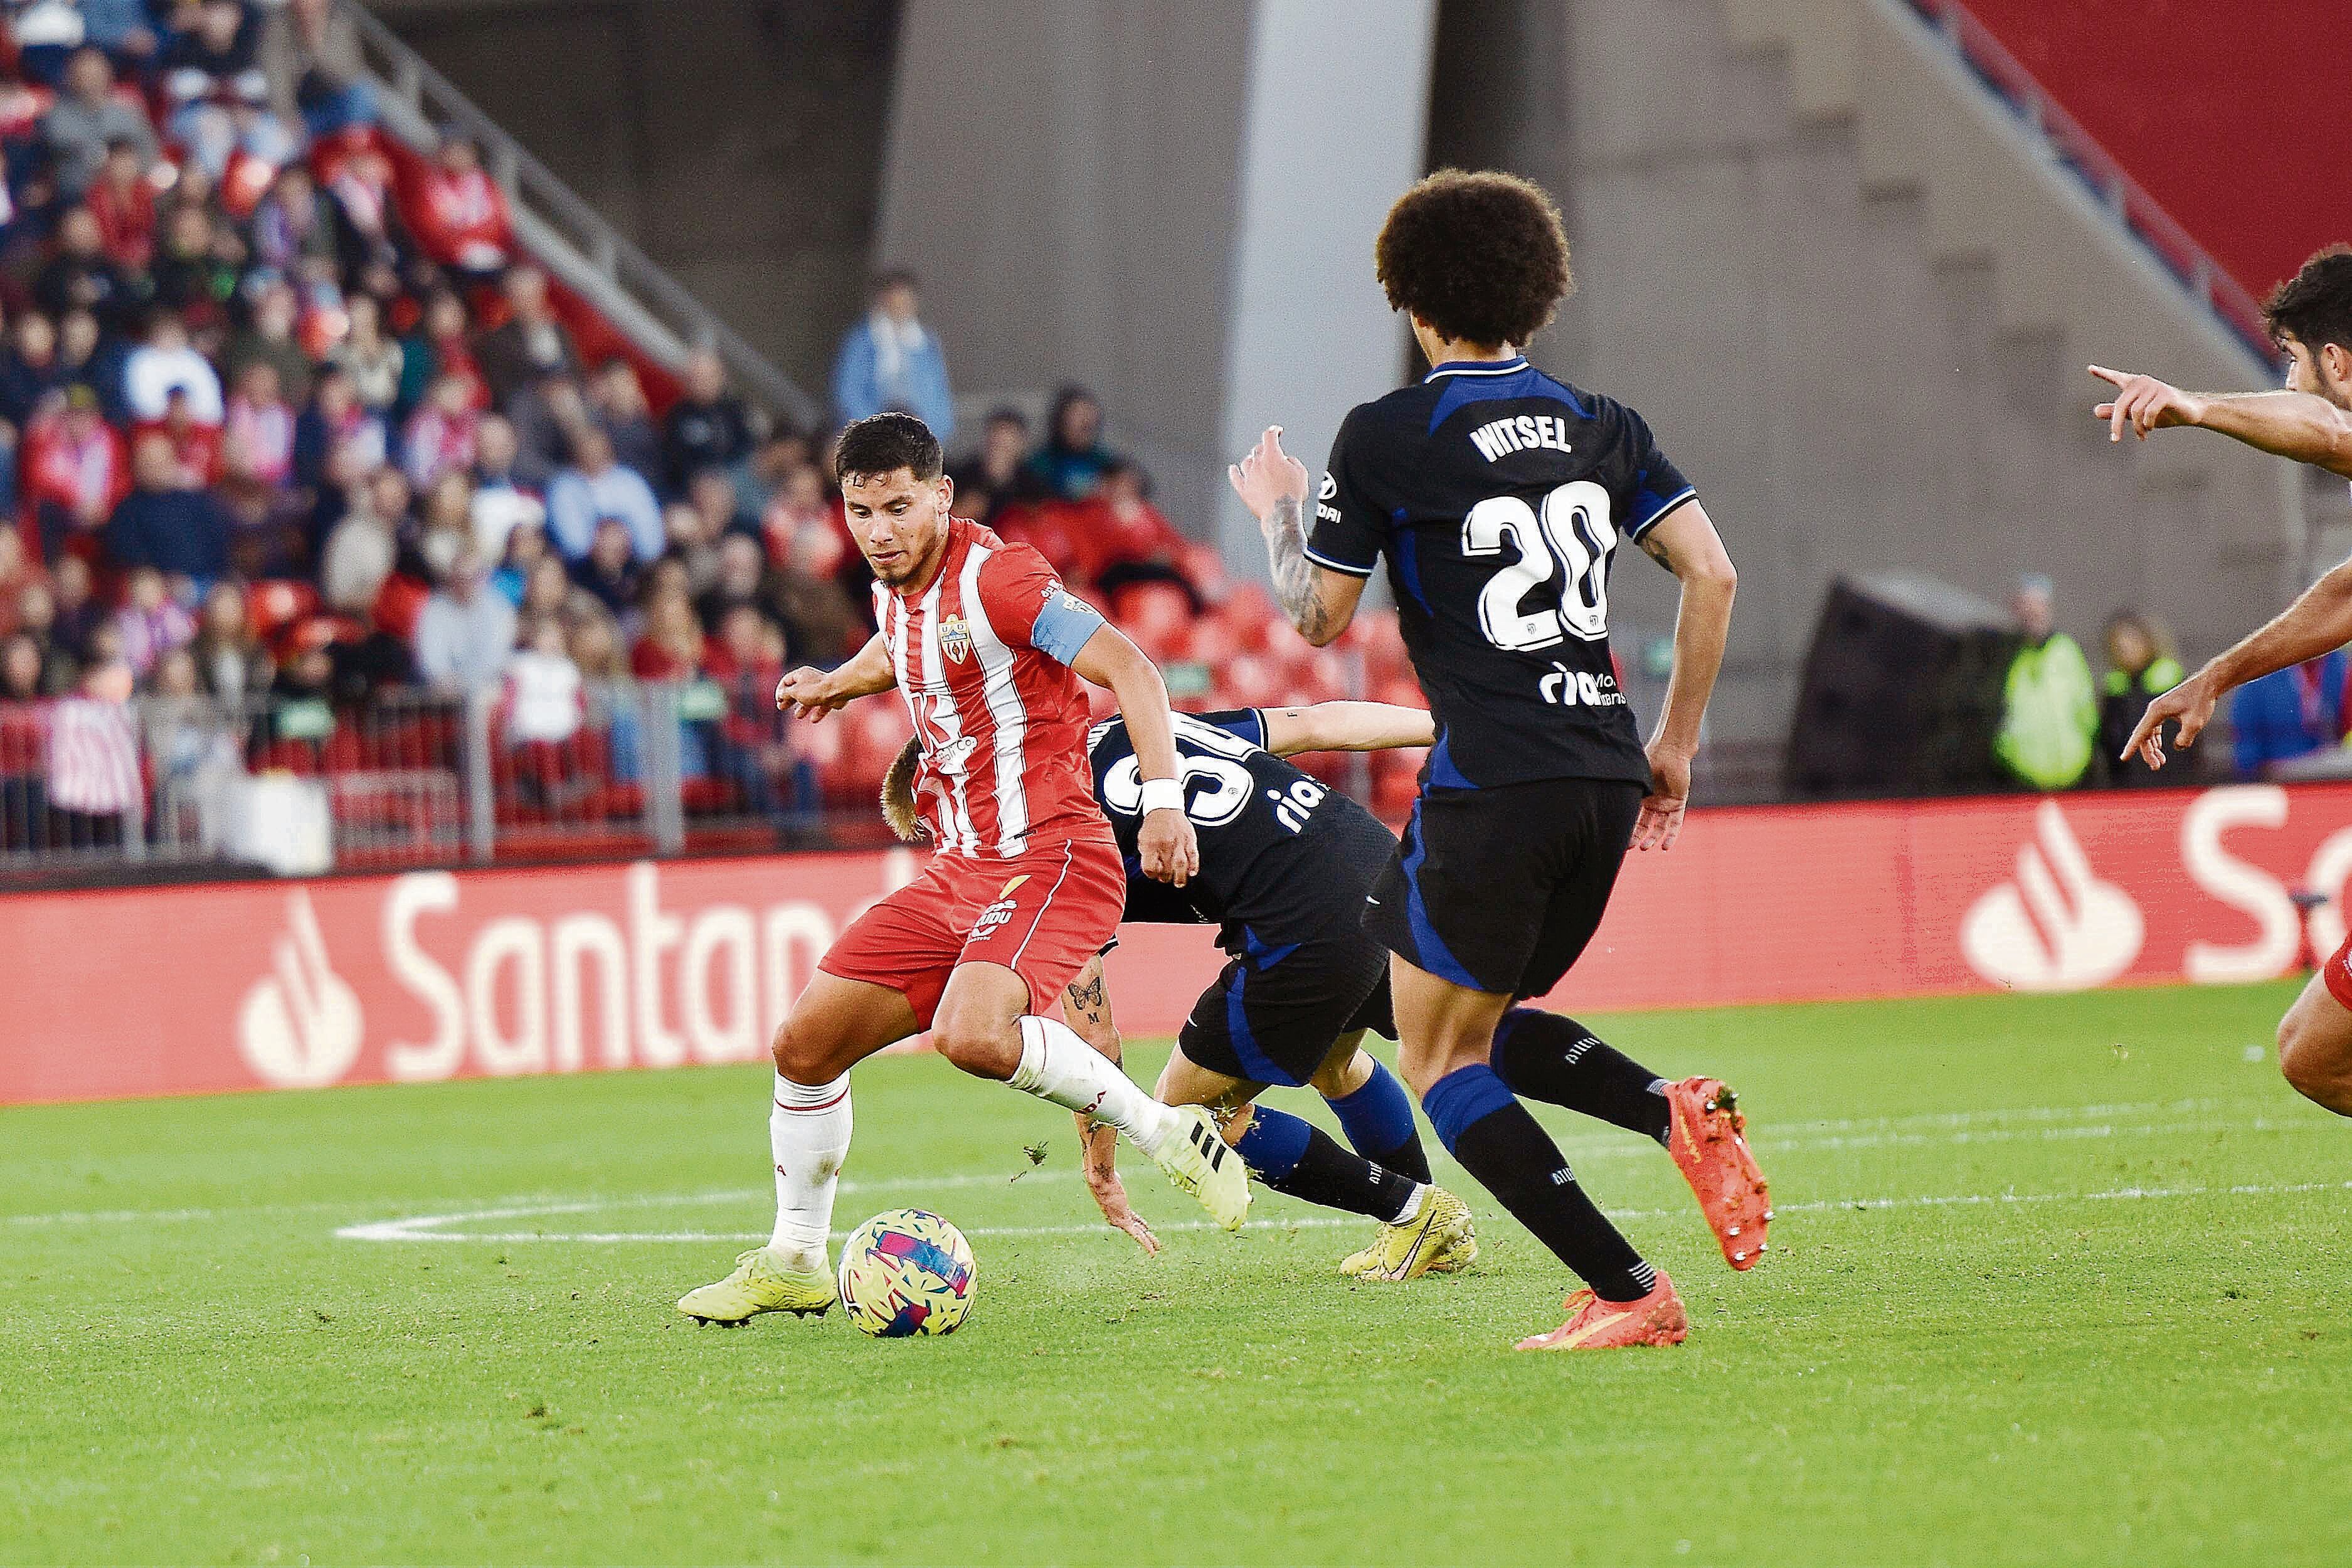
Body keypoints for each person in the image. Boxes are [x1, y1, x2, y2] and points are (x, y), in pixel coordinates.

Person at [1226, 169, 1762, 1351]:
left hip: (1494, 777)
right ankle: (1659, 1104)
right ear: (1538, 294)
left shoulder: (1385, 436)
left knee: (1434, 1058)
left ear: (1411, 301)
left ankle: (1631, 1294)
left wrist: (1277, 505)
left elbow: (1316, 622)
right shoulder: (1601, 423)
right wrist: (1671, 745)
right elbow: (1714, 575)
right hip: (1601, 771)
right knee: (1443, 1001)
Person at [674, 411, 1242, 1325]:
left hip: (1053, 853)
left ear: (940, 497)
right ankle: (793, 1259)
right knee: (803, 1047)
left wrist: (1167, 804)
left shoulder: (1001, 580)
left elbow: (1133, 668)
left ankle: (1162, 1129)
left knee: (970, 1036)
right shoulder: (890, 586)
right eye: (860, 511)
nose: (879, 531)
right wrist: (835, 681)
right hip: (961, 869)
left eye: (898, 508)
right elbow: (899, 651)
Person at [2106, 245, 2352, 1117]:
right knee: (2312, 1052)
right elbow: (2342, 594)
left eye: (2289, 362)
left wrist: (2197, 406)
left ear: (2336, 363)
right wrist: (2214, 677)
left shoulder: (2332, 422)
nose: (2285, 386)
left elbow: (2327, 433)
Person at [1993, 574, 2097, 792]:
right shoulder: (2008, 657)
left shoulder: (2066, 651)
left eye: (2038, 605)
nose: (2032, 613)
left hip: (2074, 774)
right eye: (2026, 606)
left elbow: (2086, 710)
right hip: (2022, 777)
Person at [829, 270, 953, 440]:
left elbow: (938, 395)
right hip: (873, 434)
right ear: (882, 300)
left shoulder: (926, 343)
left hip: (918, 435)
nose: (900, 305)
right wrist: (872, 428)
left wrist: (931, 432)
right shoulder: (861, 340)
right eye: (895, 299)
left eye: (906, 299)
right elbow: (848, 391)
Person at [40, 47, 159, 199]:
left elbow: (149, 152)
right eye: (84, 72)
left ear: (107, 73)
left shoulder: (128, 113)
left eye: (95, 71)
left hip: (126, 192)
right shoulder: (56, 116)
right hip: (78, 195)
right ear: (71, 76)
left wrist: (129, 169)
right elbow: (59, 144)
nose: (90, 77)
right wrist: (104, 161)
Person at [546, 428, 662, 564]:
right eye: (588, 451)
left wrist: (622, 541)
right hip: (582, 569)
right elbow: (572, 543)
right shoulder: (562, 487)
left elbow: (652, 538)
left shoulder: (630, 480)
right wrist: (603, 544)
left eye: (599, 450)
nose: (594, 455)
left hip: (633, 564)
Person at [413, 548, 517, 694]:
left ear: (484, 577)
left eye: (474, 577)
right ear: (452, 578)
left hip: (486, 687)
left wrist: (469, 683)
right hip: (443, 690)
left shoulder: (499, 609)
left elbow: (496, 657)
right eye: (461, 578)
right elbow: (430, 656)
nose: (466, 584)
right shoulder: (435, 608)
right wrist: (442, 677)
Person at [2097, 612, 2183, 786]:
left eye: (2132, 640)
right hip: (2125, 786)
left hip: (2168, 784)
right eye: (2119, 645)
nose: (2126, 649)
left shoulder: (2170, 683)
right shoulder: (2115, 689)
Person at [662, 347, 755, 492]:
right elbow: (676, 461)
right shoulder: (678, 416)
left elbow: (747, 451)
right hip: (692, 488)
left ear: (720, 378)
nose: (701, 384)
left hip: (732, 485)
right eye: (696, 378)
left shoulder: (735, 411)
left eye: (708, 377)